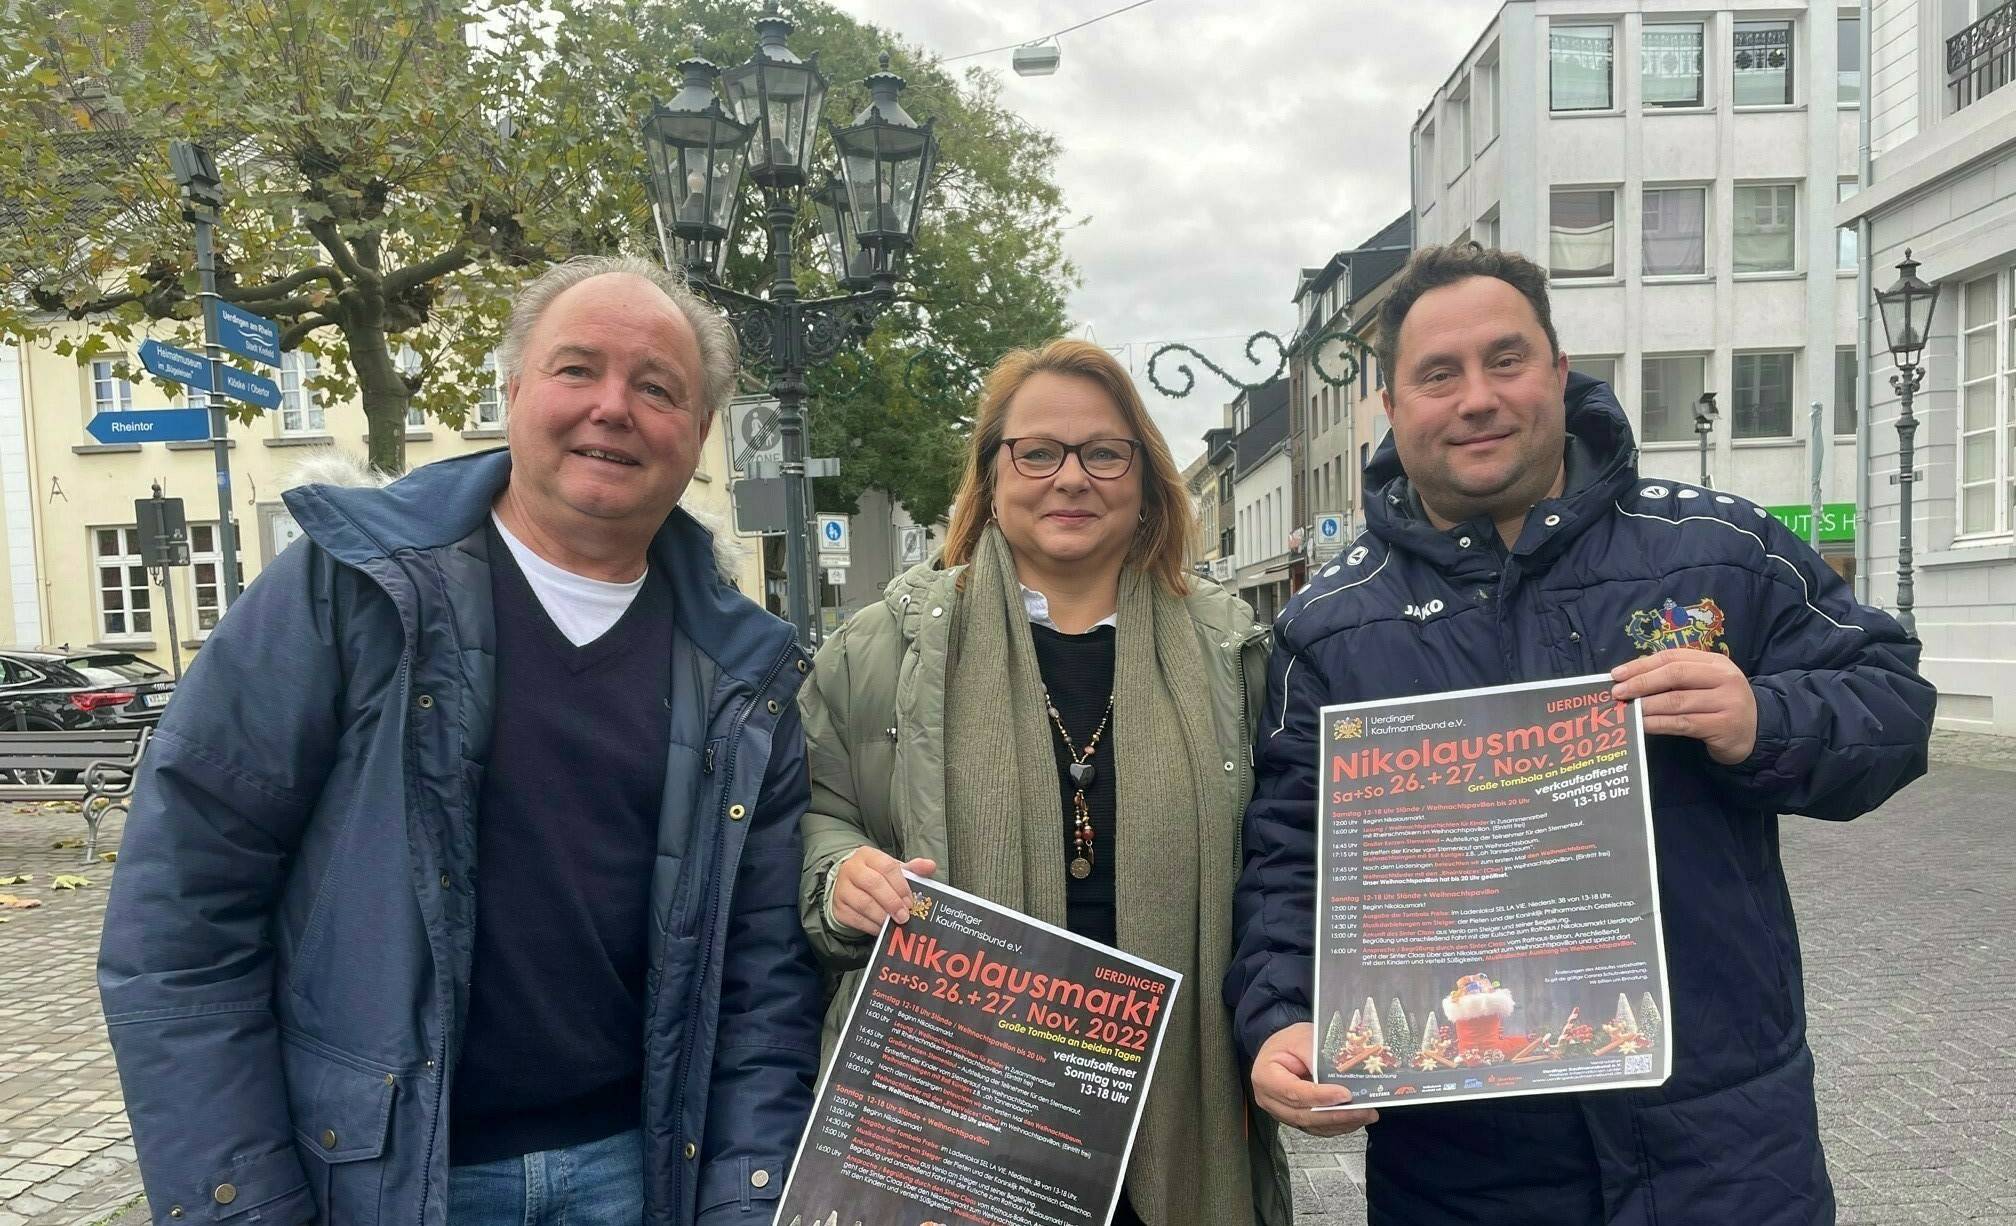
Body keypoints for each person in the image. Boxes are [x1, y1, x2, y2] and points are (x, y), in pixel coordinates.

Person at [98, 256, 822, 1226]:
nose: (613, 405)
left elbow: (761, 987)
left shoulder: (746, 673)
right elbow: (180, 918)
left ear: (698, 433)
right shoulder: (349, 590)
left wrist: (745, 1201)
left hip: (637, 1176)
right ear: (514, 388)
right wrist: (244, 1200)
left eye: (657, 387)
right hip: (373, 1178)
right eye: (577, 369)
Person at [1227, 244, 1935, 1225]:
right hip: (1465, 1174)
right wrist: (1280, 1019)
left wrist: (1760, 719)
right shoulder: (1332, 626)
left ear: (1559, 373)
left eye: (1505, 359)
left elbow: (1893, 704)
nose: (1476, 397)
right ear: (1391, 405)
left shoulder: (1720, 550)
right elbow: (1286, 856)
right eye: (1439, 374)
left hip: (1723, 1151)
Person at [797, 339, 1293, 1225]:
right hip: (959, 1126)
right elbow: (814, 813)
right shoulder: (884, 648)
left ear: (1144, 477)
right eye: (1038, 452)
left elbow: (1292, 857)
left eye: (1104, 452)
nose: (1071, 478)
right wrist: (840, 878)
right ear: (992, 476)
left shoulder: (1234, 654)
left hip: (1183, 1111)